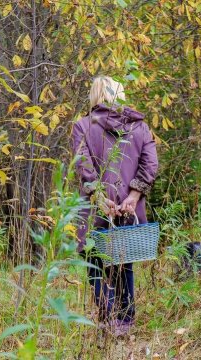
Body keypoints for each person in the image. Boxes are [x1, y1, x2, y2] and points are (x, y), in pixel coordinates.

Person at [72, 76, 158, 337]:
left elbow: (83, 165)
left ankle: (107, 317)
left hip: (95, 207)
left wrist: (99, 197)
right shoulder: (139, 127)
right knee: (123, 260)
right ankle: (125, 319)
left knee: (93, 259)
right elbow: (150, 164)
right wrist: (132, 197)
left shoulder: (83, 126)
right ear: (119, 94)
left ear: (94, 95)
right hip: (127, 209)